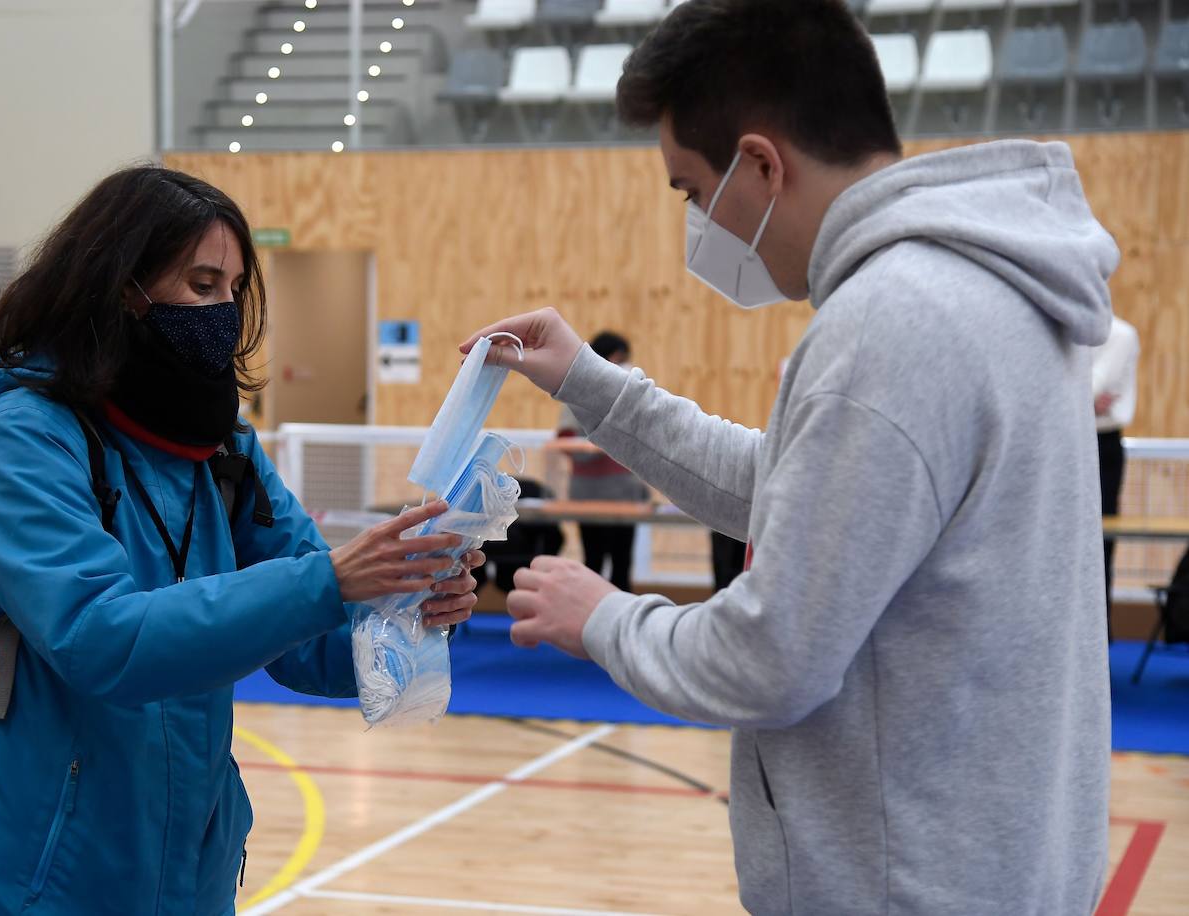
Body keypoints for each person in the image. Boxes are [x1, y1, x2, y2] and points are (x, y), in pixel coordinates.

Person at [461, 1, 1118, 912]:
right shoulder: (978, 287)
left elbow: (771, 662)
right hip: (999, 865)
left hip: (913, 883)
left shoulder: (891, 322)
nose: (697, 222)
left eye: (693, 190)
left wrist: (606, 617)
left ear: (762, 166)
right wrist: (591, 382)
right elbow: (796, 488)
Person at [0, 166, 483, 916]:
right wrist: (330, 581)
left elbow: (320, 650)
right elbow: (97, 638)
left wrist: (417, 602)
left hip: (181, 870)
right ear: (119, 288)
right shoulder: (29, 437)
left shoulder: (226, 450)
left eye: (234, 290)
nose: (224, 310)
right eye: (202, 284)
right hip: (23, 876)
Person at [557, 331, 647, 590]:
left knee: (621, 563)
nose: (622, 365)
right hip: (589, 492)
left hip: (624, 491)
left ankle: (620, 626)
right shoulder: (577, 390)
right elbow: (566, 439)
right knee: (593, 561)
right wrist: (605, 443)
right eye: (618, 358)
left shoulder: (631, 389)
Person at [1093, 314, 1140, 633]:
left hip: (1102, 442)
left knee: (1100, 540)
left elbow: (1097, 387)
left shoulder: (1119, 334)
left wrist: (1070, 397)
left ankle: (1099, 633)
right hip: (1061, 438)